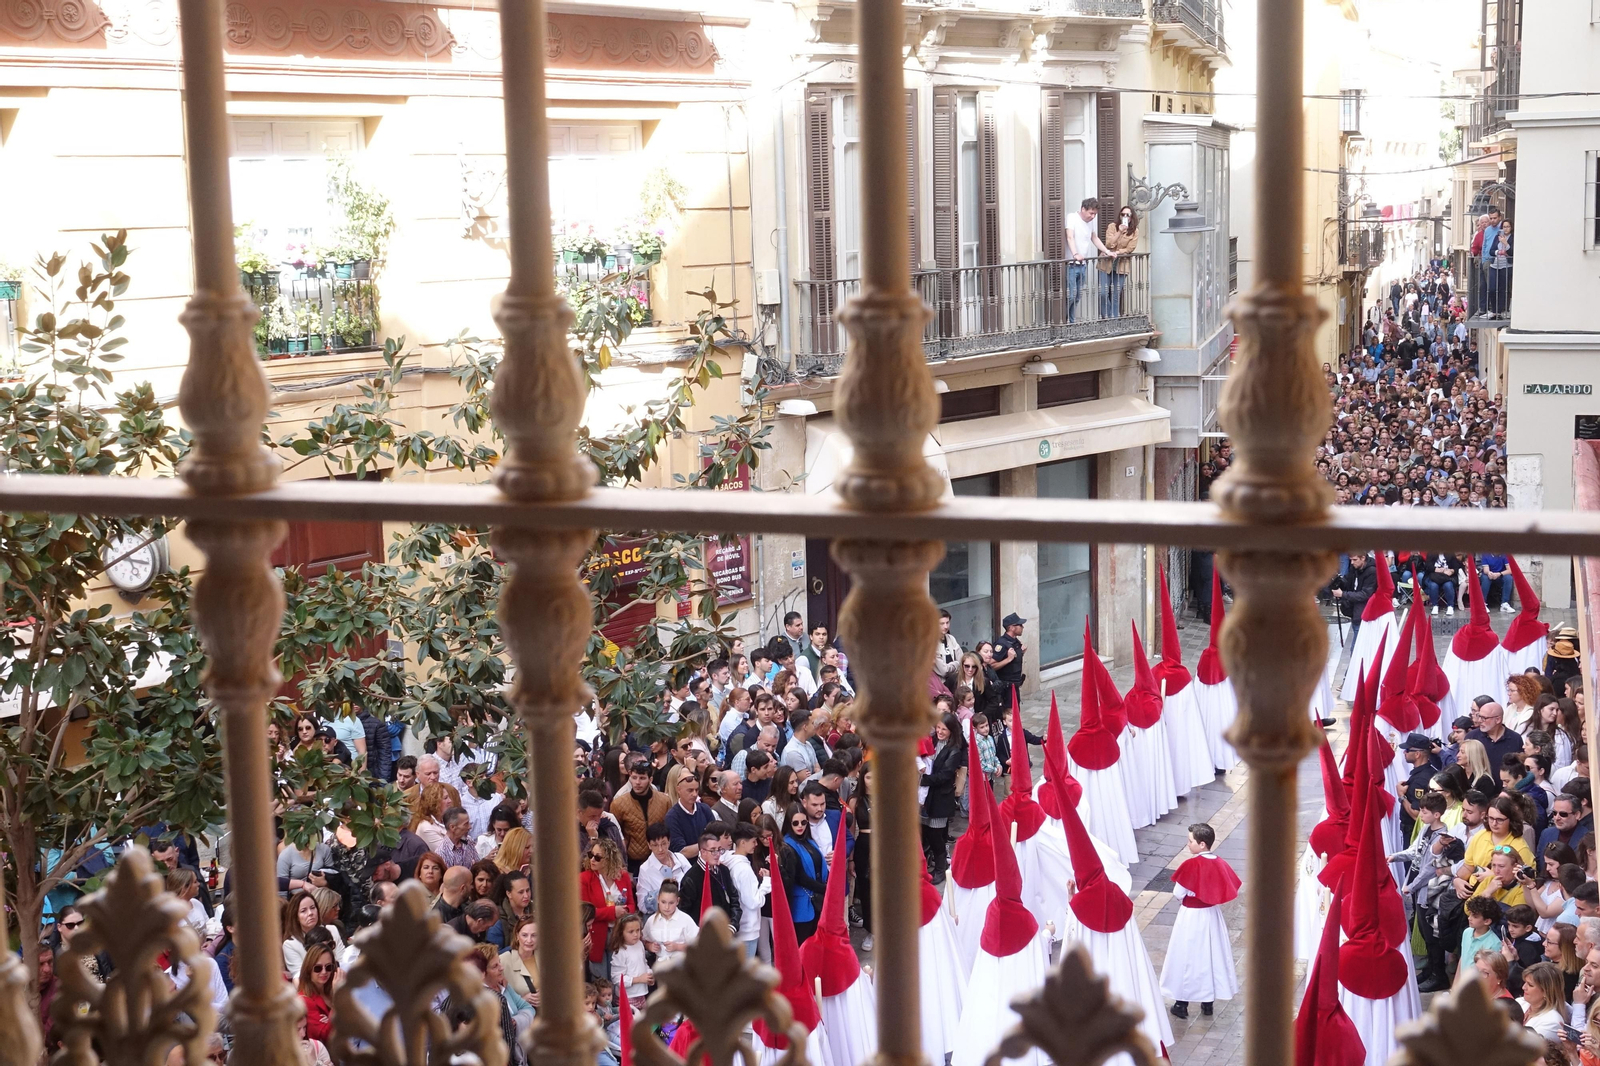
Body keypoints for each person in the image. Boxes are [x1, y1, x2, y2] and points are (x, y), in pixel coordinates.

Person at [1160, 823, 1241, 1019]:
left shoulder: (1191, 865)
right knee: (1211, 955)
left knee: (1186, 957)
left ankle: (1181, 1004)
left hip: (1191, 916)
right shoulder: (1221, 863)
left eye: (1190, 841)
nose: (1188, 844)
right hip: (1212, 915)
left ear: (1202, 844)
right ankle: (1207, 1003)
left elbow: (1178, 892)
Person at [579, 839, 634, 980]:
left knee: (620, 978)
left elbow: (631, 905)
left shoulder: (623, 876)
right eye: (591, 855)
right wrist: (613, 912)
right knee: (601, 981)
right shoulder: (584, 879)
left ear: (609, 859)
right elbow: (586, 913)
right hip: (597, 935)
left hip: (619, 933)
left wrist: (625, 911)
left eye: (598, 857)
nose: (592, 860)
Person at [920, 714, 965, 882]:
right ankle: (932, 863)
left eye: (943, 729)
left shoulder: (954, 750)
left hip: (940, 798)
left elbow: (944, 775)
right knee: (926, 832)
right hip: (926, 797)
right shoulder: (932, 741)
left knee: (936, 835)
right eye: (938, 727)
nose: (939, 731)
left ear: (951, 731)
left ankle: (941, 867)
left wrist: (922, 779)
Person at [778, 807, 828, 944]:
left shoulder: (809, 840)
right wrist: (826, 889)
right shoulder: (786, 846)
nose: (800, 826)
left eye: (803, 822)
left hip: (816, 900)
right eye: (795, 823)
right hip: (801, 904)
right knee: (803, 946)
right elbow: (800, 878)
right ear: (789, 823)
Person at [723, 822, 771, 958]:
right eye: (753, 841)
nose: (756, 844)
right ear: (743, 843)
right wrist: (766, 882)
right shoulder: (743, 869)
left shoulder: (728, 860)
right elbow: (754, 902)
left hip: (739, 926)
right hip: (747, 929)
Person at [1065, 198, 1116, 322]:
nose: (1093, 216)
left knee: (1077, 296)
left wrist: (1107, 251)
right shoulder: (1072, 217)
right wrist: (1075, 254)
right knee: (1070, 296)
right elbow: (1069, 236)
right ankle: (1064, 320)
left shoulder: (1091, 223)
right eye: (1091, 213)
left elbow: (1094, 238)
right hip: (1071, 264)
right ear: (1083, 209)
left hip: (1082, 264)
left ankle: (1070, 321)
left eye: (1095, 214)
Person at [642, 881, 698, 967]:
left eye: (671, 903)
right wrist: (650, 946)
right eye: (663, 902)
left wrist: (677, 947)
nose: (667, 907)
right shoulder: (651, 920)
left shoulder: (685, 919)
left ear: (677, 901)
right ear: (658, 899)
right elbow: (644, 940)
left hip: (681, 966)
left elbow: (698, 945)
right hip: (661, 966)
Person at [664, 770, 715, 859]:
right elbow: (681, 851)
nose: (694, 794)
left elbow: (716, 835)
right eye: (690, 790)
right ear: (678, 790)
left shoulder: (705, 809)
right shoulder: (672, 817)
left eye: (697, 790)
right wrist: (708, 844)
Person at [1467, 702, 1525, 779]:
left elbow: (1519, 767)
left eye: (1484, 718)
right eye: (1479, 716)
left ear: (1498, 720)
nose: (1479, 720)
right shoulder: (1472, 737)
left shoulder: (1515, 739)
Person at [1100, 205, 1138, 318]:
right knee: (1103, 293)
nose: (1125, 217)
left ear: (1131, 217)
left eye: (1128, 215)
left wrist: (1117, 252)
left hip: (1122, 265)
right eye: (1123, 214)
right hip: (1106, 264)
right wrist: (1119, 232)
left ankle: (1114, 319)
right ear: (1120, 216)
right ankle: (1107, 317)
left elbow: (1130, 248)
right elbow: (1108, 244)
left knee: (1116, 294)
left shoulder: (1134, 231)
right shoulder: (1112, 227)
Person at [607, 913, 652, 1008]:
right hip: (627, 996)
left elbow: (643, 963)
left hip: (641, 993)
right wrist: (639, 979)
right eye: (631, 932)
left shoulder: (639, 944)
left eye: (638, 930)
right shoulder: (620, 952)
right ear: (621, 933)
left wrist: (649, 975)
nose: (635, 934)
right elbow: (617, 978)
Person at [1518, 960, 1569, 1042]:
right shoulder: (1519, 1002)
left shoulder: (1552, 1022)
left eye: (1530, 985)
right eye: (1525, 982)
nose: (1523, 987)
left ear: (1546, 991)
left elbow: (1525, 1046)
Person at [297, 943, 339, 1044]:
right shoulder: (304, 1000)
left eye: (328, 967)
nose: (324, 972)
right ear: (308, 969)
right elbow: (326, 1035)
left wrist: (329, 1020)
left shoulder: (331, 989)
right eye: (318, 968)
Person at [500, 917, 540, 1007]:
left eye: (534, 935)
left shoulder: (546, 957)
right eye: (524, 935)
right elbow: (495, 996)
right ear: (517, 936)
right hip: (520, 1014)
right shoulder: (503, 960)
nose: (529, 940)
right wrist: (522, 1000)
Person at [992, 613, 1027, 714]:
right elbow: (991, 666)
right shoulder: (1002, 644)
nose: (1022, 627)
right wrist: (1008, 659)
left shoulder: (1015, 641)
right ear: (1011, 627)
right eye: (1020, 625)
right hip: (1006, 688)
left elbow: (1014, 662)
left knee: (1016, 713)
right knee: (1010, 715)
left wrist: (1021, 653)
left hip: (1015, 686)